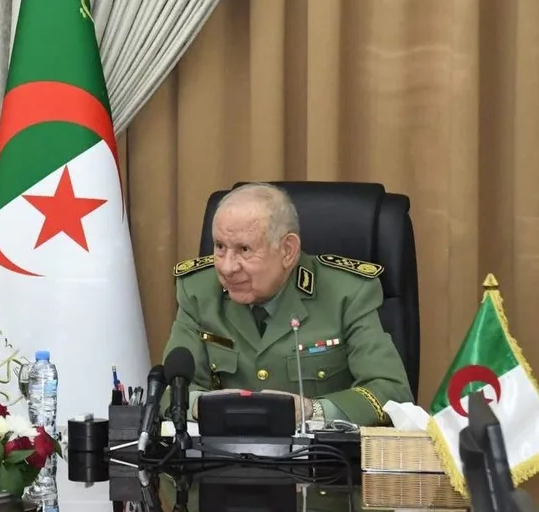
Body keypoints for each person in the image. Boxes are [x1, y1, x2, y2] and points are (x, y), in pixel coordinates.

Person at [162, 182, 412, 427]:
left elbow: (391, 392)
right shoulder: (198, 291)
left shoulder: (347, 294)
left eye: (244, 249)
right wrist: (202, 405)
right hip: (221, 450)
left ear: (288, 251)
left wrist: (313, 410)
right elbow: (167, 391)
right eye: (220, 247)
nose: (227, 267)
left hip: (319, 452)